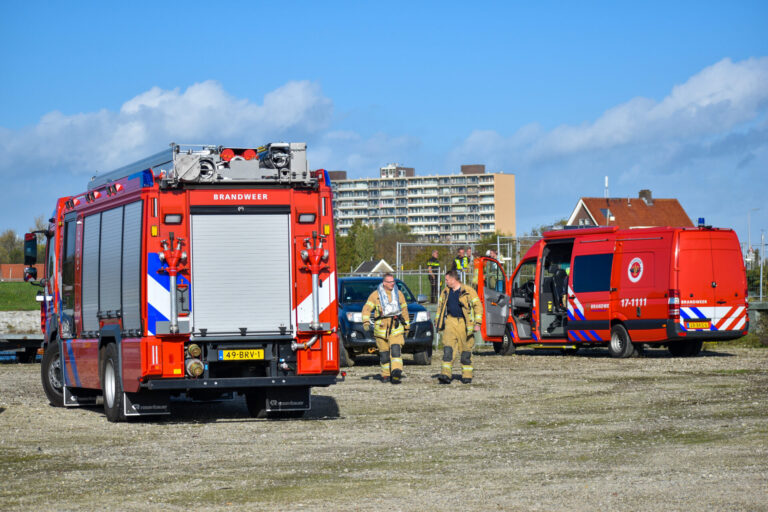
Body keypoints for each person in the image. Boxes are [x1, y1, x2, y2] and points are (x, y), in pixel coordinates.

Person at [435, 270, 483, 384]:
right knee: (448, 349)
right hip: (450, 322)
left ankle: (467, 375)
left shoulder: (468, 291)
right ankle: (445, 374)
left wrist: (477, 323)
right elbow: (440, 308)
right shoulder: (445, 292)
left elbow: (478, 307)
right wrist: (438, 321)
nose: (445, 281)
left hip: (464, 324)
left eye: (447, 279)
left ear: (453, 279)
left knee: (465, 350)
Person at [362, 273, 410, 384]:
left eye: (393, 281)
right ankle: (386, 375)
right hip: (381, 329)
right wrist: (365, 321)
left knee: (396, 349)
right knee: (384, 355)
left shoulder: (399, 294)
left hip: (395, 327)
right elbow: (367, 308)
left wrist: (407, 326)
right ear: (384, 283)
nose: (392, 284)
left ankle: (396, 372)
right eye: (389, 282)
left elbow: (404, 311)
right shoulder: (375, 295)